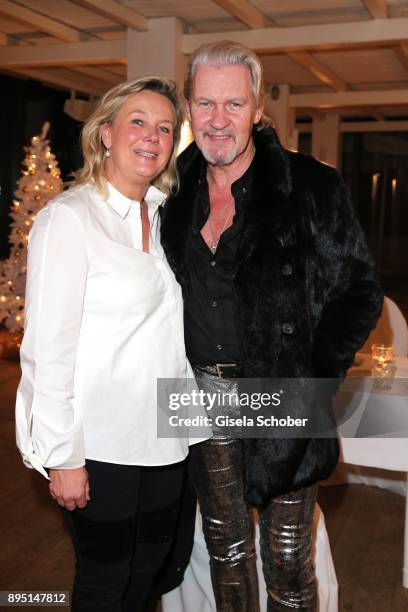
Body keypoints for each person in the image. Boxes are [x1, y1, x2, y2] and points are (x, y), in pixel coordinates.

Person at [160, 41, 383, 611]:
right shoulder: (171, 193)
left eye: (233, 105)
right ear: (188, 107)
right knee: (224, 548)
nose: (218, 120)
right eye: (205, 104)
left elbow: (359, 291)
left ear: (258, 108)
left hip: (282, 390)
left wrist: (316, 377)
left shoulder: (311, 186)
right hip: (197, 392)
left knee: (286, 556)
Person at [15, 76, 207, 612]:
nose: (152, 136)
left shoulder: (170, 217)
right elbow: (47, 347)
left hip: (167, 439)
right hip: (100, 444)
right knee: (105, 580)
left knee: (152, 570)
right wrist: (62, 456)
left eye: (165, 128)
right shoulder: (69, 218)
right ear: (105, 133)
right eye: (137, 122)